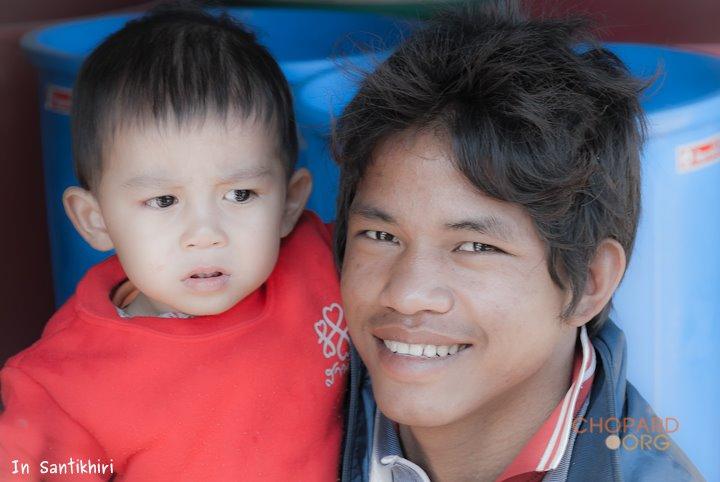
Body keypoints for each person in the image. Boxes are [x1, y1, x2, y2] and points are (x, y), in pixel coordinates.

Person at [333, 3, 702, 481]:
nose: (406, 294)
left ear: (590, 283)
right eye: (381, 236)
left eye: (475, 247)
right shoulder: (291, 402)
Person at [0, 4, 349, 480]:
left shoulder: (324, 265)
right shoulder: (63, 386)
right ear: (94, 220)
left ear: (289, 203)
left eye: (240, 194)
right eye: (163, 200)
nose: (205, 234)